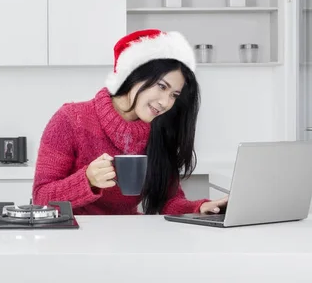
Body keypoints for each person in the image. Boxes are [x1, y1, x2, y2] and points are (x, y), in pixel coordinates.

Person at [32, 29, 228, 215]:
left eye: (174, 95)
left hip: (126, 237)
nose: (165, 102)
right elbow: (41, 198)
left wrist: (199, 208)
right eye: (161, 86)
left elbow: (169, 201)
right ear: (134, 75)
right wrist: (88, 180)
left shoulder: (159, 130)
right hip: (73, 236)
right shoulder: (71, 119)